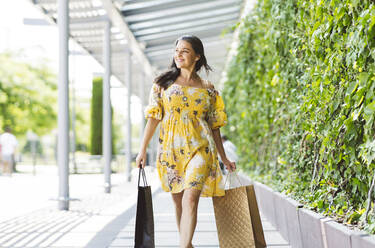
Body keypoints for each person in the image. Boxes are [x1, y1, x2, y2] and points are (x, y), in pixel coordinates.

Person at [136, 35, 236, 248]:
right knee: (179, 202)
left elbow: (214, 125)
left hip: (200, 148)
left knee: (190, 198)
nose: (178, 54)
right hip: (171, 151)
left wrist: (224, 157)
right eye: (177, 50)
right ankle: (188, 244)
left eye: (185, 51)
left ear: (197, 56)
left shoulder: (208, 89)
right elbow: (154, 118)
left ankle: (182, 246)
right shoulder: (163, 83)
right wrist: (142, 150)